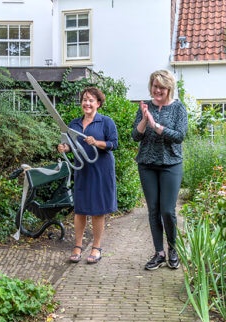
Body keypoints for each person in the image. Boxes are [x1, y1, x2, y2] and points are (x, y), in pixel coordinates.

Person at [132, 70, 188, 270]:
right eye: (155, 86)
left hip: (171, 164)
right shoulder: (145, 107)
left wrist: (157, 127)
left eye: (162, 87)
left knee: (167, 210)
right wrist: (145, 120)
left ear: (169, 88)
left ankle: (173, 248)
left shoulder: (178, 108)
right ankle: (159, 253)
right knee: (153, 210)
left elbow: (180, 135)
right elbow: (135, 136)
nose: (157, 90)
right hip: (147, 164)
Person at [58, 87, 118, 264]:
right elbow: (70, 144)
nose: (87, 103)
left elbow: (113, 144)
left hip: (101, 169)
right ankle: (77, 246)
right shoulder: (74, 124)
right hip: (82, 169)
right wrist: (64, 148)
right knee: (80, 209)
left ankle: (96, 247)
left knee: (98, 210)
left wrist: (96, 142)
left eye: (91, 100)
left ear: (98, 103)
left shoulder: (106, 122)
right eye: (85, 99)